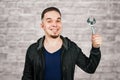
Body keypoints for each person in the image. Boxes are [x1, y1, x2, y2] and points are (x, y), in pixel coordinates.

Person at [22, 7, 102, 80]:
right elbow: (27, 77)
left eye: (58, 20)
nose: (55, 24)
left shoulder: (71, 48)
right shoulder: (32, 50)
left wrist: (95, 48)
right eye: (49, 21)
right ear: (42, 25)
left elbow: (90, 68)